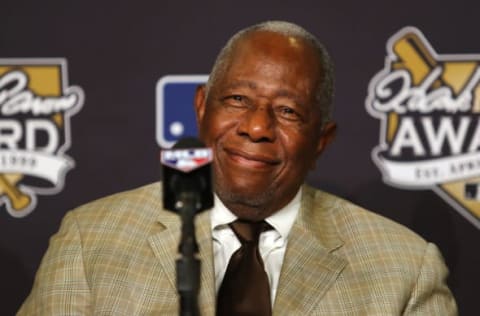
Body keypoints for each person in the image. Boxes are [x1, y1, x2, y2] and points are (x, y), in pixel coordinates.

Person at [18, 21, 457, 315]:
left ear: (321, 141)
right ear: (201, 108)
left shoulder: (405, 269)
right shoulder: (89, 240)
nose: (257, 127)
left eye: (287, 111)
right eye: (237, 101)